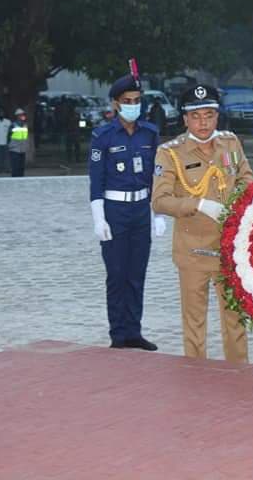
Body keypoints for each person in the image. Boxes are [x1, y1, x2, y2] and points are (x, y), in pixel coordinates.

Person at [152, 84, 252, 362]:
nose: (203, 123)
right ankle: (196, 376)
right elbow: (159, 201)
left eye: (209, 115)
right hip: (193, 250)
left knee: (235, 320)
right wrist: (198, 205)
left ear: (217, 116)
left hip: (230, 247)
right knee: (195, 323)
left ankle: (238, 372)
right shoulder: (170, 153)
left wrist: (242, 199)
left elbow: (246, 177)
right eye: (195, 116)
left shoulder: (230, 143)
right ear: (185, 119)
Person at [89, 73, 163, 351]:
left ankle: (134, 331)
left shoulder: (149, 133)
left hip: (141, 209)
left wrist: (158, 213)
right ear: (116, 104)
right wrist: (99, 218)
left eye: (137, 100)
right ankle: (118, 335)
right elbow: (96, 180)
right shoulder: (103, 136)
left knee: (136, 273)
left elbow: (156, 176)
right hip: (115, 210)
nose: (133, 105)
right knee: (117, 273)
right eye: (127, 101)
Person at [9, 108, 29, 177]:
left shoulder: (25, 125)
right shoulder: (13, 125)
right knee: (15, 167)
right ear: (17, 116)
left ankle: (21, 179)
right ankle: (14, 180)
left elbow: (25, 137)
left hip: (22, 149)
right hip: (15, 149)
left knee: (21, 167)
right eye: (21, 115)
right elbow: (8, 136)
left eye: (23, 115)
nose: (23, 116)